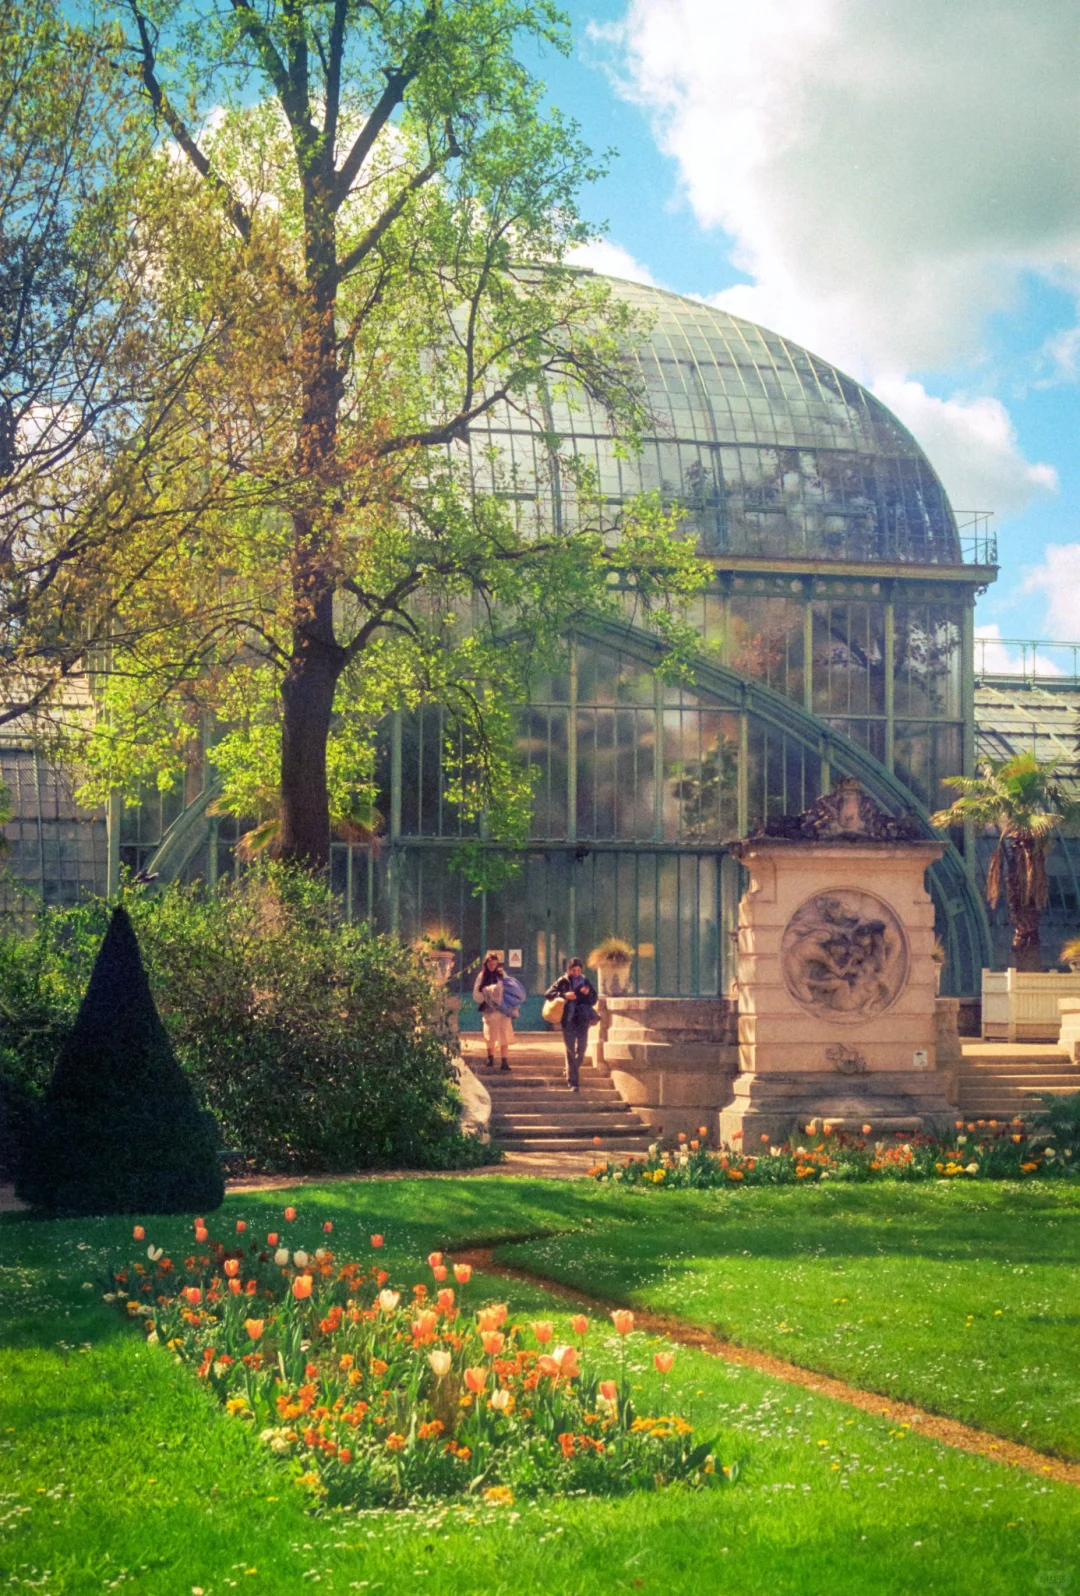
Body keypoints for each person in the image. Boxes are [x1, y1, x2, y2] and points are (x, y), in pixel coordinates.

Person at [545, 957, 598, 1091]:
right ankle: (573, 1082)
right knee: (570, 1049)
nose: (576, 973)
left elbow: (593, 999)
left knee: (582, 1048)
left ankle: (570, 1070)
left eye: (578, 970)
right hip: (568, 1019)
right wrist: (564, 995)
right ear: (569, 970)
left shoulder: (585, 981)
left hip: (582, 1019)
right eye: (573, 970)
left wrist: (588, 993)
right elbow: (548, 993)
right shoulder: (563, 981)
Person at [473, 950, 513, 1072]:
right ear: (486, 964)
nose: (492, 967)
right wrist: (486, 995)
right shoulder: (482, 976)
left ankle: (504, 1061)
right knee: (490, 1035)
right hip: (489, 1009)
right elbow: (476, 993)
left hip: (502, 1009)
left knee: (504, 1033)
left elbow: (509, 987)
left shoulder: (501, 974)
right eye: (490, 964)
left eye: (495, 964)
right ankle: (490, 1057)